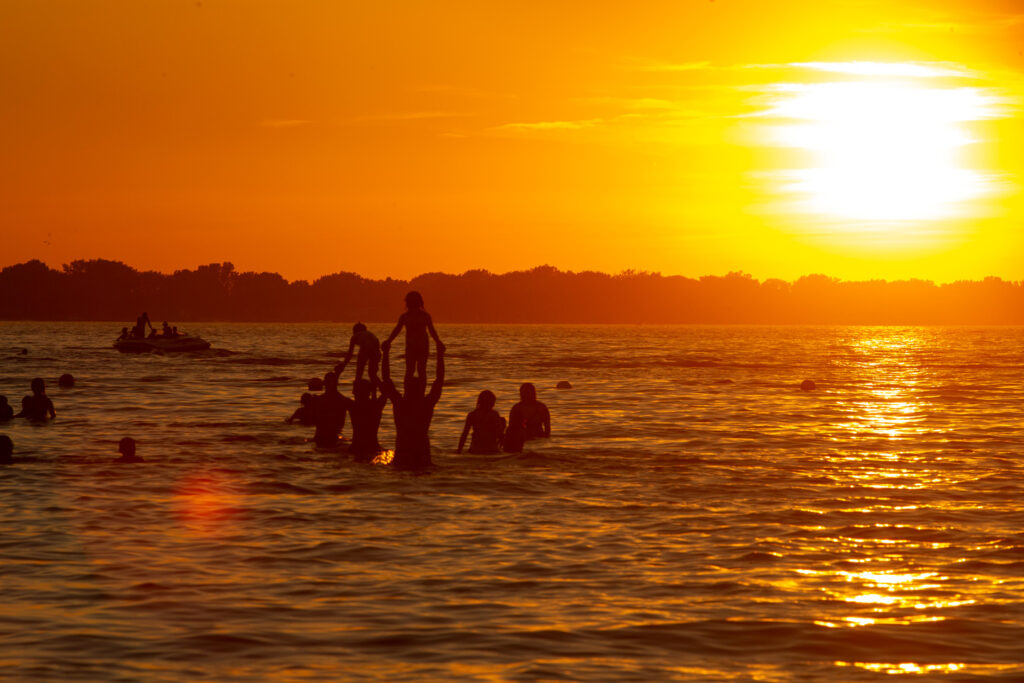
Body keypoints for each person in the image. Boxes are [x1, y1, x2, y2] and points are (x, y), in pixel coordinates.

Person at [380, 340, 444, 469]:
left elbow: (386, 379)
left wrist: (385, 353)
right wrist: (440, 355)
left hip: (403, 454)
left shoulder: (400, 403)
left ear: (406, 388)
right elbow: (439, 380)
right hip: (422, 455)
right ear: (421, 389)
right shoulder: (426, 404)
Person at [382, 291, 445, 381]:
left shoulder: (424, 316)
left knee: (420, 370)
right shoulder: (405, 316)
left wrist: (438, 342)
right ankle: (409, 390)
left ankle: (420, 390)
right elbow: (397, 330)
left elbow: (432, 331)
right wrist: (389, 341)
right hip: (411, 346)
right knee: (411, 370)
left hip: (422, 346)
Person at [347, 378, 388, 462]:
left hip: (356, 448)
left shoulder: (353, 407)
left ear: (355, 392)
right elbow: (387, 390)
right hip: (373, 448)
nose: (352, 392)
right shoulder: (376, 407)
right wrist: (375, 382)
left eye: (354, 390)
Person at [504, 383, 550, 453]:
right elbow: (511, 428)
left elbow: (547, 428)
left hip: (538, 440)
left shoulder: (541, 408)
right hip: (521, 440)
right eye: (523, 393)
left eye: (528, 393)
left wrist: (545, 439)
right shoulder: (516, 408)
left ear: (533, 393)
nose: (526, 396)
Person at [457, 390, 506, 455]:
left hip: (476, 450)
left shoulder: (472, 415)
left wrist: (459, 450)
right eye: (491, 403)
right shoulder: (494, 414)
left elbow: (464, 434)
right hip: (490, 450)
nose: (493, 405)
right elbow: (500, 434)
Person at [334, 323, 381, 388]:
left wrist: (344, 364)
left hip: (366, 349)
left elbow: (350, 353)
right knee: (372, 374)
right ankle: (380, 391)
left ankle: (357, 388)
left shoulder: (355, 336)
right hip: (377, 352)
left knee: (359, 373)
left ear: (355, 331)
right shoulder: (371, 334)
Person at [312, 372, 348, 449]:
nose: (330, 384)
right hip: (322, 436)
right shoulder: (319, 400)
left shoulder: (342, 400)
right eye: (328, 382)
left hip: (330, 436)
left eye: (331, 382)